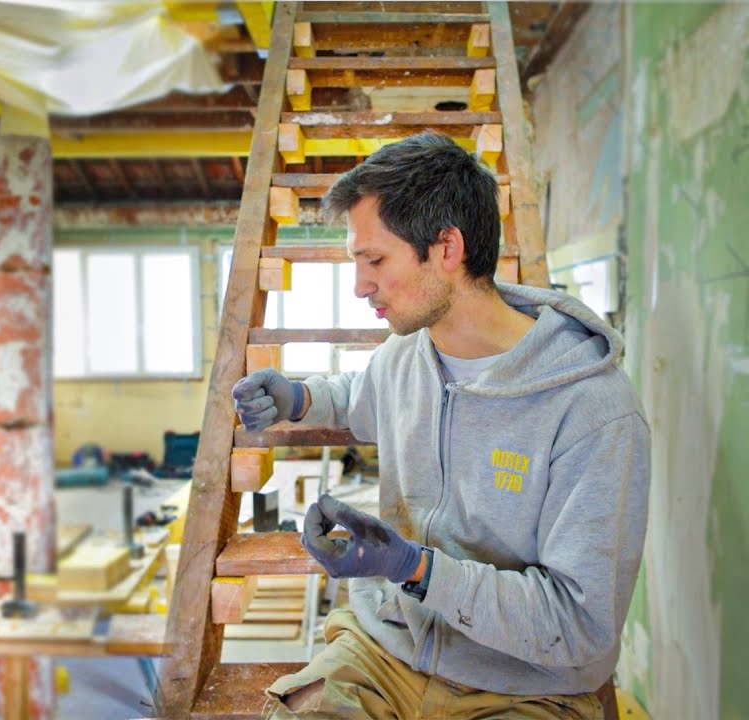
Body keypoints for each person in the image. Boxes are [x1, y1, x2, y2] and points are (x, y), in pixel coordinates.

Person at [231, 133, 649, 719]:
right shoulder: (405, 355)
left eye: (375, 260)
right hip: (388, 648)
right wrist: (299, 398)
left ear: (446, 248)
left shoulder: (593, 412)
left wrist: (414, 569)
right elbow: (365, 395)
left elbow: (579, 625)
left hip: (526, 684)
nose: (360, 286)